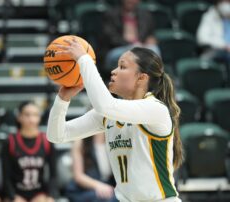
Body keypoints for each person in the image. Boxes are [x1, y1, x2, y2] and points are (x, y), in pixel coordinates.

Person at [47, 38, 183, 202]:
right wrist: (62, 99)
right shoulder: (108, 115)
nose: (114, 71)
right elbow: (56, 135)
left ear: (142, 78)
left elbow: (105, 105)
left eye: (122, 66)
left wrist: (84, 60)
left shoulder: (156, 109)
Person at [2, 101, 56, 202]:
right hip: (16, 192)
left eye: (35, 115)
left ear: (39, 118)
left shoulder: (47, 140)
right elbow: (6, 178)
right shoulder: (10, 141)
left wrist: (50, 196)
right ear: (19, 117)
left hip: (39, 192)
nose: (31, 119)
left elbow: (53, 175)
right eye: (27, 115)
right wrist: (13, 197)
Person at [66, 133, 117, 202]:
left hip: (108, 185)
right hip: (84, 189)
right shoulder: (81, 141)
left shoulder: (114, 139)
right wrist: (99, 186)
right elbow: (78, 176)